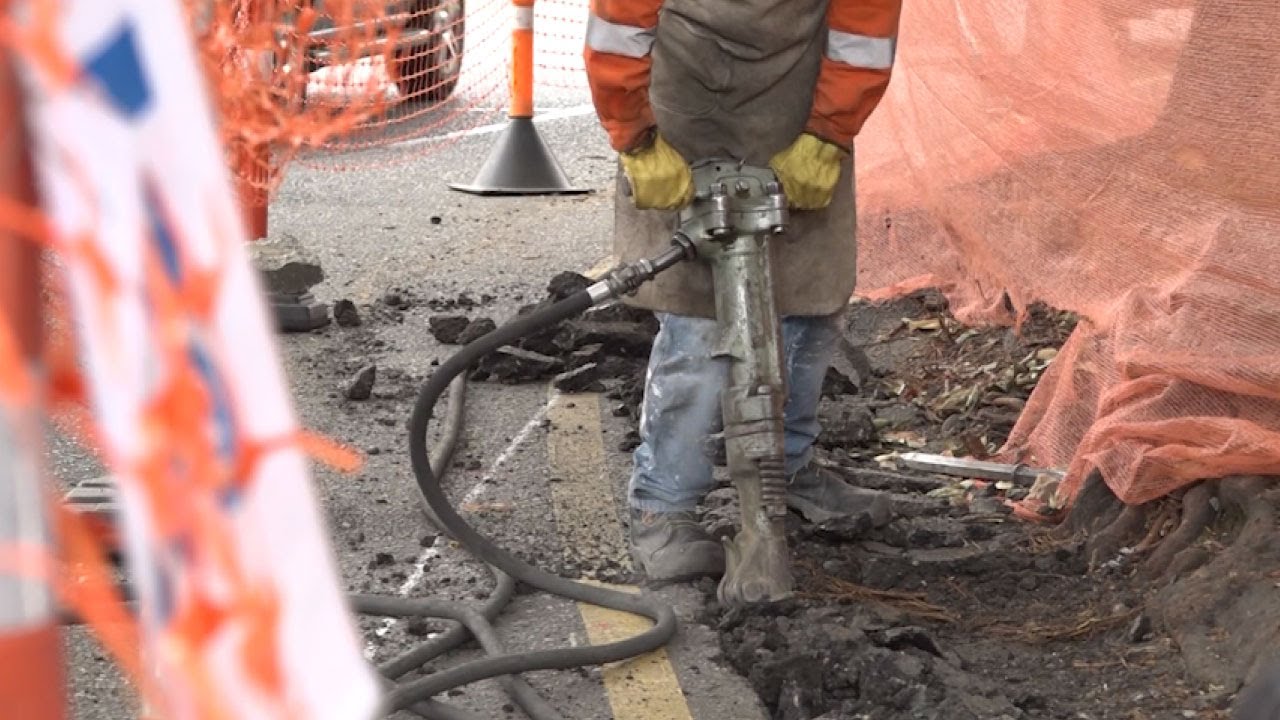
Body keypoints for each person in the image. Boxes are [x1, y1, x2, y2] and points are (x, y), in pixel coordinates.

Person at [583, 0, 904, 581]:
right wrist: (635, 138)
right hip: (686, 93)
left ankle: (789, 467)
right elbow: (618, 27)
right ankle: (664, 505)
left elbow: (865, 28)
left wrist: (830, 134)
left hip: (797, 97)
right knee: (698, 318)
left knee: (811, 303)